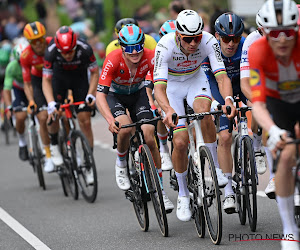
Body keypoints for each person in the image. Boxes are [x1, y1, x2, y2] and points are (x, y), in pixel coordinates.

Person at [154, 10, 235, 222]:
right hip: (171, 87)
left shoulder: (208, 41)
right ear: (178, 35)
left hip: (195, 80)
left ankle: (216, 168)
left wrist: (228, 99)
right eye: (188, 39)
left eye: (196, 38)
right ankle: (182, 193)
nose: (193, 44)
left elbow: (221, 76)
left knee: (204, 112)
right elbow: (159, 89)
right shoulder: (164, 46)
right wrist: (168, 110)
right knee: (180, 142)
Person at [96, 24, 174, 212]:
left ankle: (160, 191)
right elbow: (100, 96)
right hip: (116, 96)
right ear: (121, 47)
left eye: (138, 46)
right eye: (129, 48)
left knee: (149, 133)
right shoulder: (113, 59)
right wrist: (109, 120)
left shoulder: (150, 56)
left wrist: (161, 108)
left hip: (138, 94)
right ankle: (121, 163)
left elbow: (159, 85)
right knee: (125, 128)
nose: (135, 52)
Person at [202, 13, 266, 213]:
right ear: (217, 36)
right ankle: (228, 190)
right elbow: (206, 82)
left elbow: (254, 75)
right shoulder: (208, 50)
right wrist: (215, 103)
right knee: (225, 136)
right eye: (226, 39)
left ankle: (256, 146)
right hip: (219, 89)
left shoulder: (247, 45)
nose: (231, 43)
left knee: (256, 105)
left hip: (242, 83)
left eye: (236, 38)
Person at [249, 0, 300, 249]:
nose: (282, 40)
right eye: (274, 34)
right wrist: (276, 130)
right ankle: (289, 230)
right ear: (265, 33)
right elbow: (258, 105)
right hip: (276, 103)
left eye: (288, 33)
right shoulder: (257, 51)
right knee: (287, 151)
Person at [42, 26, 98, 184]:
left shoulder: (85, 49)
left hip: (79, 80)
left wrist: (90, 94)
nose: (67, 55)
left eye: (70, 52)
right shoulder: (51, 51)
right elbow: (45, 80)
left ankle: (87, 162)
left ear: (75, 46)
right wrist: (51, 103)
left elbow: (94, 73)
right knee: (54, 115)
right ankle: (54, 145)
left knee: (85, 120)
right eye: (63, 53)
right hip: (58, 80)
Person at [240, 10, 276, 199]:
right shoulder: (252, 41)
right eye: (266, 32)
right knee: (260, 110)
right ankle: (257, 148)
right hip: (257, 79)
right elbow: (245, 83)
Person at [20, 21, 62, 173]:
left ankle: (72, 148)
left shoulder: (54, 44)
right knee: (43, 118)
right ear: (29, 42)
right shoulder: (26, 56)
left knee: (64, 112)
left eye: (40, 39)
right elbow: (27, 84)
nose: (38, 44)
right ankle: (49, 156)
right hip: (38, 82)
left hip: (56, 78)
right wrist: (31, 101)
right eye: (34, 41)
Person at [145, 19, 177, 171]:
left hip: (180, 89)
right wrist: (153, 102)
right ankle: (163, 147)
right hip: (162, 89)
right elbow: (150, 83)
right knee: (159, 109)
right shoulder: (158, 52)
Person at [3, 41, 29, 161]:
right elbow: (7, 89)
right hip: (19, 90)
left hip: (33, 87)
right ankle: (22, 142)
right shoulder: (12, 67)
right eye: (20, 62)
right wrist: (8, 107)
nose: (23, 64)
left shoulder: (35, 62)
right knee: (20, 117)